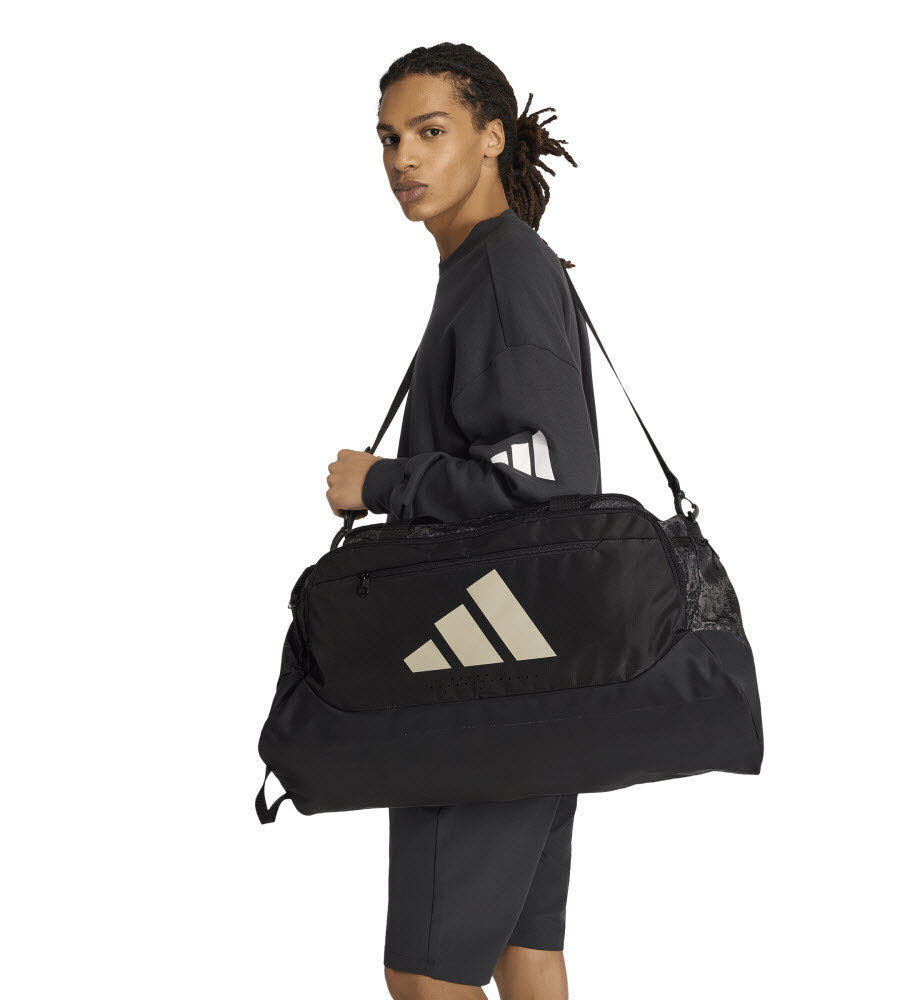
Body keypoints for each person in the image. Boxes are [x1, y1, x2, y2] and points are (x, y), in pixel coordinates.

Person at [323, 43, 601, 1000]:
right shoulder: (489, 267)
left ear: (491, 137)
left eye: (430, 131)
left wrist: (382, 484)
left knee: (425, 974)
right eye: (389, 138)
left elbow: (546, 478)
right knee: (526, 957)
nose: (403, 157)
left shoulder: (502, 271)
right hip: (532, 661)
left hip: (487, 670)